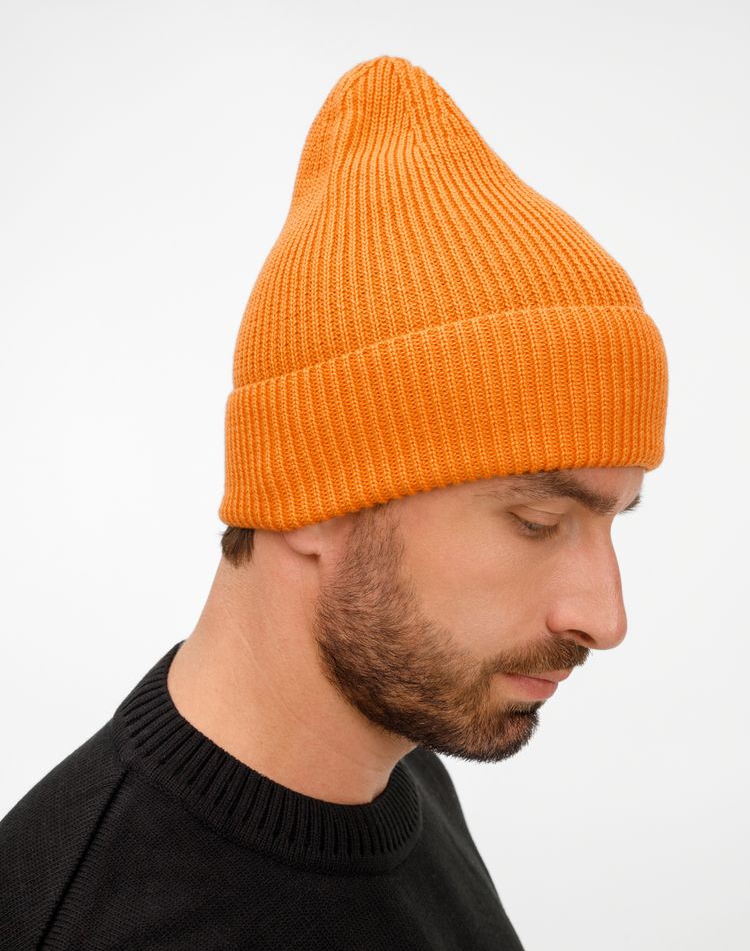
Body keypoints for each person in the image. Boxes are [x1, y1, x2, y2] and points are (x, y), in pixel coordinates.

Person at [0, 54, 668, 951]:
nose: (606, 618)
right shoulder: (91, 919)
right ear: (316, 501)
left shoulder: (398, 762)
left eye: (614, 520)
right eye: (537, 522)